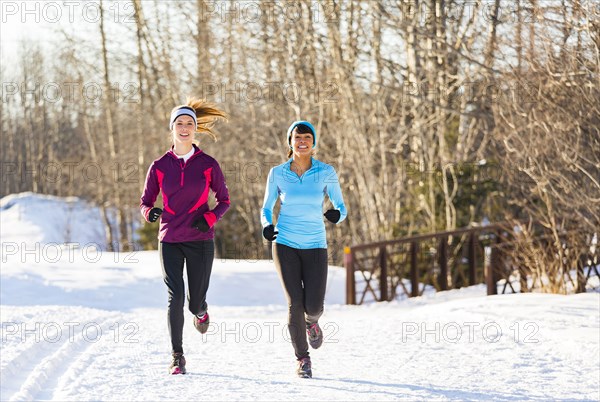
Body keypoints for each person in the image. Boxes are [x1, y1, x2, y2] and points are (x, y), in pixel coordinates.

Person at [140, 99, 230, 375]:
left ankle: (201, 311)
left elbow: (224, 200)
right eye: (179, 123)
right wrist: (150, 214)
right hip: (169, 238)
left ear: (195, 129)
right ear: (172, 128)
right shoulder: (159, 166)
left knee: (193, 303)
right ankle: (177, 356)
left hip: (200, 239)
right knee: (175, 296)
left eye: (189, 123)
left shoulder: (207, 164)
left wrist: (210, 218)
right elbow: (145, 201)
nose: (184, 128)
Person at [260, 120, 347, 378]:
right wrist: (267, 225)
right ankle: (302, 358)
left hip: (315, 245)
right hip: (285, 243)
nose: (302, 141)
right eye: (297, 137)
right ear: (290, 141)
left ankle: (312, 323)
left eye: (307, 137)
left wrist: (336, 215)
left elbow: (341, 207)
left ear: (314, 142)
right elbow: (266, 207)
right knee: (294, 303)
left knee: (314, 306)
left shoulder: (326, 172)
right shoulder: (277, 173)